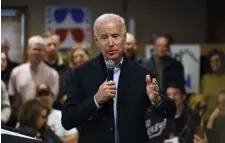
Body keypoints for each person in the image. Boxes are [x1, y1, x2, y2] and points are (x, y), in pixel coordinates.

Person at [61, 13, 176, 143]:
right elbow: (67, 120)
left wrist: (157, 100)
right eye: (104, 37)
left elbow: (171, 111)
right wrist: (95, 100)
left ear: (124, 37)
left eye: (115, 36)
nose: (110, 43)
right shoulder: (81, 73)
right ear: (96, 40)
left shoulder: (143, 74)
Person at [8, 35, 59, 127]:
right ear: (28, 50)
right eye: (35, 49)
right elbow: (14, 99)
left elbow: (52, 99)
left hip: (44, 121)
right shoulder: (16, 72)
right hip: (22, 120)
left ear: (45, 52)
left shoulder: (53, 74)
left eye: (40, 50)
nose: (37, 52)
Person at [44, 32, 71, 110]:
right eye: (49, 45)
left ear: (59, 46)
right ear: (44, 47)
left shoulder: (67, 66)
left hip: (63, 109)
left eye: (55, 45)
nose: (52, 47)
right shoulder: (40, 67)